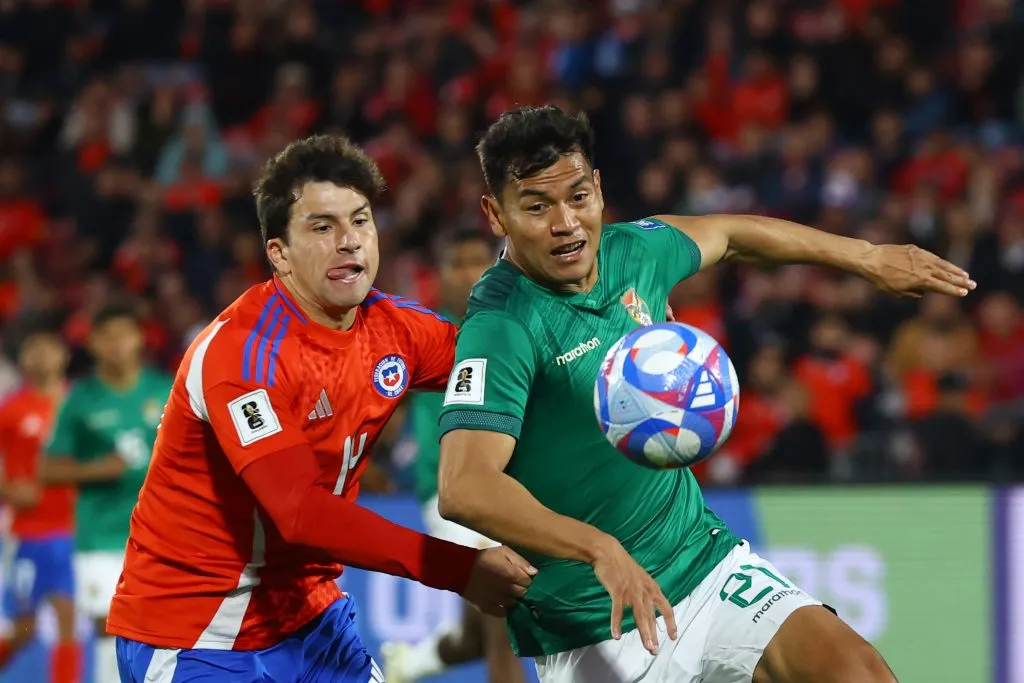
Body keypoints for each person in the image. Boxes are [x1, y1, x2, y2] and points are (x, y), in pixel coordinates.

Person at [435, 105, 975, 683]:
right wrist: (598, 549)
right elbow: (464, 487)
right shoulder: (502, 326)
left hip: (705, 562)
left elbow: (732, 235)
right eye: (537, 207)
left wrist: (867, 257)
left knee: (856, 671)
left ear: (598, 187)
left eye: (577, 197)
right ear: (497, 214)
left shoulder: (633, 253)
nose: (565, 223)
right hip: (595, 620)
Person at [106, 134, 535, 683]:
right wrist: (459, 568)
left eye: (360, 221)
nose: (349, 242)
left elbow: (508, 374)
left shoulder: (394, 328)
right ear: (278, 253)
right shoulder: (243, 354)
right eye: (322, 227)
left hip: (311, 622)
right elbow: (300, 513)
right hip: (194, 636)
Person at [382, 229, 525, 683]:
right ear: (439, 276)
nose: (468, 274)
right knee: (501, 590)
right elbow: (379, 411)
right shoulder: (421, 334)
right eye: (456, 264)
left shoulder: (515, 325)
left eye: (477, 262)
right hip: (450, 493)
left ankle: (411, 664)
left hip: (514, 483)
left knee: (478, 630)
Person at [42, 305, 173, 683]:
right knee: (109, 624)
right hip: (100, 535)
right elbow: (47, 470)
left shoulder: (163, 388)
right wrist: (98, 469)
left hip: (160, 534)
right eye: (108, 336)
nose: (117, 344)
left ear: (140, 339)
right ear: (94, 344)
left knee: (159, 628)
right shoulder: (80, 400)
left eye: (125, 334)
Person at [0, 327, 79, 683]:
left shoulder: (78, 403)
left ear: (64, 356)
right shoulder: (12, 407)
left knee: (69, 618)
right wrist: (8, 487)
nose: (41, 357)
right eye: (34, 349)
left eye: (49, 348)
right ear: (23, 360)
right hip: (27, 530)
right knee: (26, 625)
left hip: (73, 529)